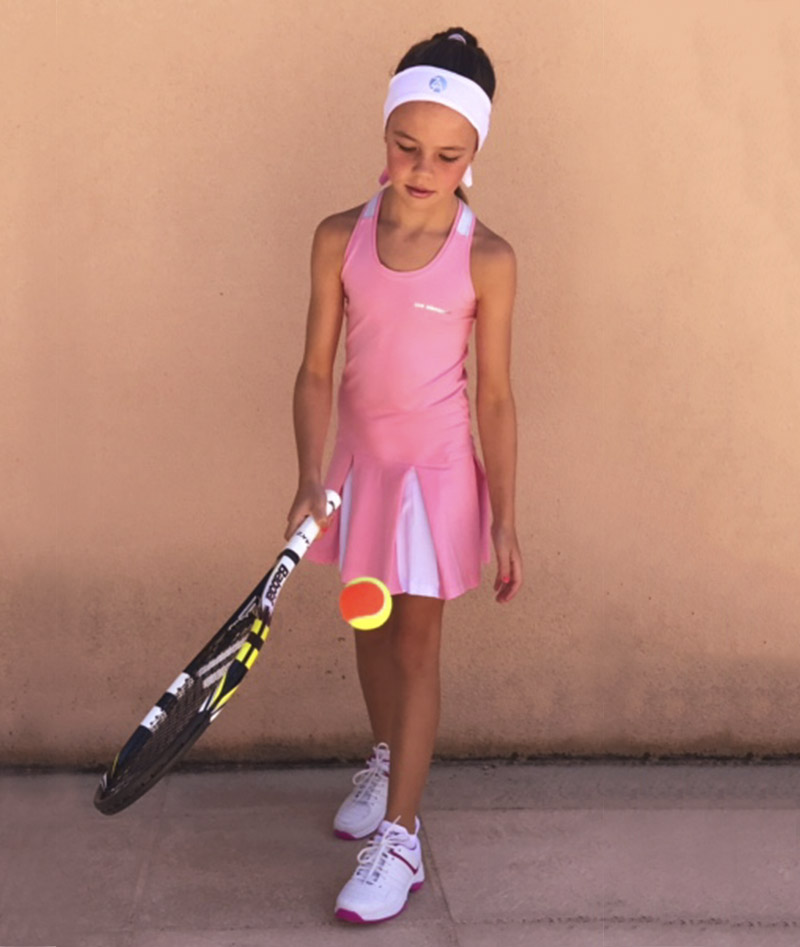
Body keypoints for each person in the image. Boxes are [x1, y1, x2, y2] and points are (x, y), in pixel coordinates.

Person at [284, 26, 523, 924]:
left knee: (418, 648)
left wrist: (505, 514)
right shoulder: (337, 238)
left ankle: (401, 837)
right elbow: (316, 371)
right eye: (406, 146)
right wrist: (308, 475)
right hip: (360, 473)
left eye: (448, 156)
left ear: (476, 152)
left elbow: (494, 395)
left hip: (436, 480)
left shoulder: (487, 257)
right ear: (384, 133)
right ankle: (388, 757)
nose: (424, 170)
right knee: (368, 623)